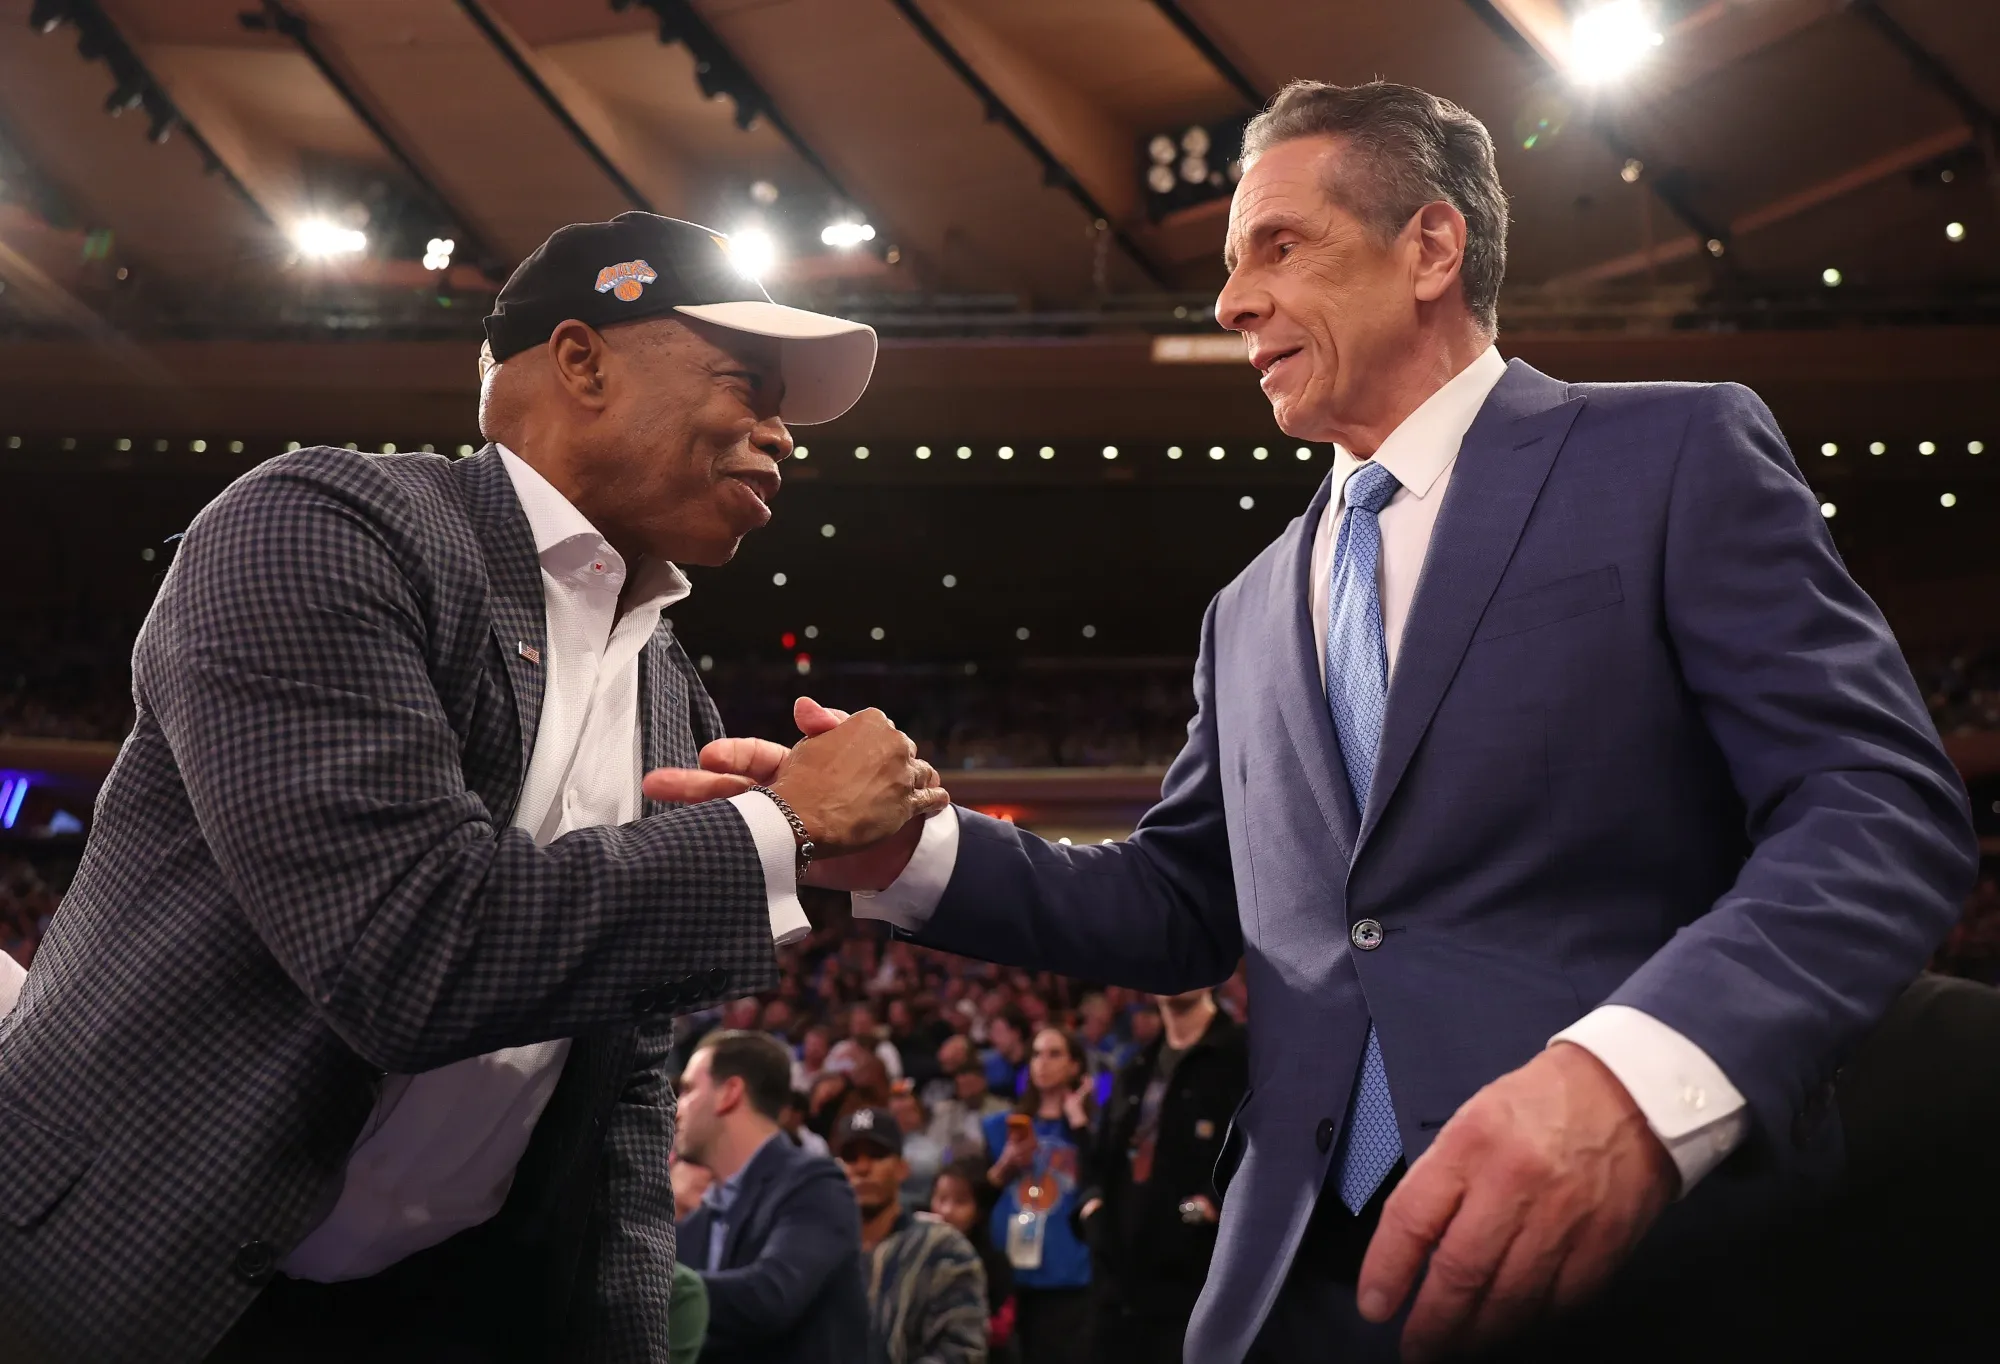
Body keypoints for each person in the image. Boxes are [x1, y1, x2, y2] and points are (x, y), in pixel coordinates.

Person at [654, 81, 1980, 1362]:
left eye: (1277, 246)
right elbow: (1179, 900)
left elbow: (1876, 807)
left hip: (1654, 1257)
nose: (1232, 302)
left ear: (1431, 247)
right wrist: (903, 854)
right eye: (1232, 265)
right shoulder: (1248, 606)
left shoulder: (1667, 456)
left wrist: (1639, 1082)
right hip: (1298, 1286)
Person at [0, 212, 947, 1364]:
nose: (782, 432)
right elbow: (405, 946)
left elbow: (619, 1106)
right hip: (141, 1280)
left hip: (442, 1304)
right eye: (748, 379)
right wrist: (784, 826)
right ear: (581, 357)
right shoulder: (321, 525)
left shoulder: (667, 691)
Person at [675, 1030, 868, 1364]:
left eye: (688, 1090)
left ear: (729, 1093)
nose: (675, 1109)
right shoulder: (693, 1228)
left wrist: (646, 1283)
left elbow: (772, 1295)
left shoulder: (816, 1185)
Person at [1082, 989, 1248, 1364]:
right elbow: (1101, 1158)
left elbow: (1267, 1148)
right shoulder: (1135, 1065)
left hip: (1197, 1281)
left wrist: (1211, 1207)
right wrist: (1092, 1208)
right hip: (1121, 1280)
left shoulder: (1243, 1054)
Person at [833, 1106, 989, 1364]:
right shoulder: (818, 1250)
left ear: (902, 1169)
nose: (862, 1168)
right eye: (851, 1157)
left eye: (876, 1155)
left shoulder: (943, 1249)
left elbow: (962, 1351)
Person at [980, 1028, 1096, 1364]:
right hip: (1010, 1275)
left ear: (1075, 1066)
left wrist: (1078, 1122)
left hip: (1068, 1275)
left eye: (1054, 1054)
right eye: (1036, 1054)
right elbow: (979, 1196)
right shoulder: (1000, 1126)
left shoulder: (1088, 1129)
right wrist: (1007, 1164)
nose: (1042, 1063)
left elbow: (1099, 1179)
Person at [932, 1161, 1020, 1364]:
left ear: (978, 1210)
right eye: (941, 1199)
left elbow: (1002, 1329)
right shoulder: (917, 1256)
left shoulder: (993, 1262)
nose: (946, 1211)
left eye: (960, 1202)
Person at [890, 1082, 946, 1212]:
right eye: (898, 1113)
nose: (905, 1118)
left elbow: (932, 1166)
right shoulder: (884, 1141)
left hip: (924, 1205)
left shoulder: (933, 1140)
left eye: (910, 1111)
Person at [982, 1009, 1030, 1100]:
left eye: (999, 1032)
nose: (993, 1038)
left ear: (1016, 1033)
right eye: (992, 1032)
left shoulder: (1033, 1066)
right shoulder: (992, 1067)